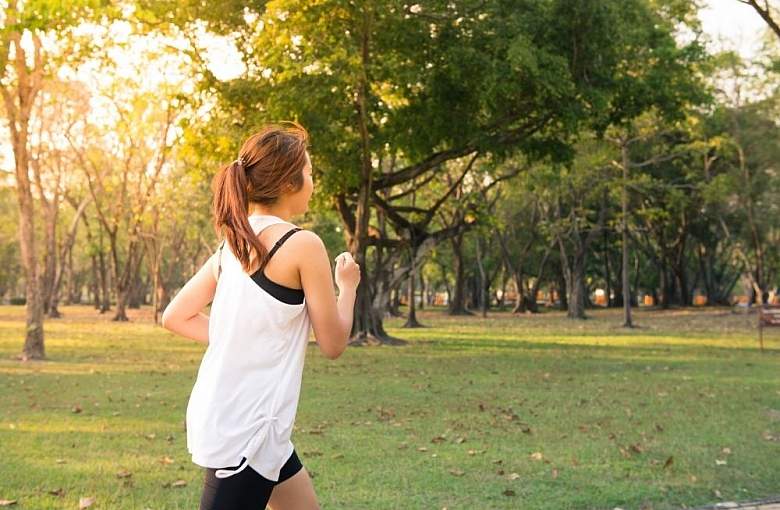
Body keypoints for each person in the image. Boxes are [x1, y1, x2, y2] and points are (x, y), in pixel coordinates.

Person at [161, 122, 360, 509]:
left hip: (251, 424)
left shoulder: (232, 245)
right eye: (309, 173)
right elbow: (333, 343)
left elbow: (176, 316)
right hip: (247, 432)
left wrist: (240, 337)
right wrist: (348, 287)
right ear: (288, 182)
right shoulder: (302, 244)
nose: (313, 183)